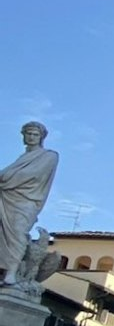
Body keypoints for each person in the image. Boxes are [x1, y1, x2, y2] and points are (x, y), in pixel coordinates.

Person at [0, 122, 59, 286]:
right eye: (28, 134)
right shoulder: (22, 158)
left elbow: (30, 175)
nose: (31, 137)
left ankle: (11, 272)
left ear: (41, 137)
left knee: (18, 233)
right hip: (6, 197)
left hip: (27, 201)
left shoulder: (49, 156)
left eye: (35, 134)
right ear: (23, 136)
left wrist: (3, 179)